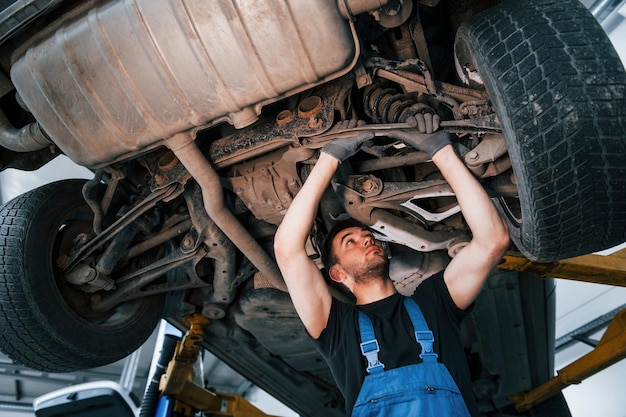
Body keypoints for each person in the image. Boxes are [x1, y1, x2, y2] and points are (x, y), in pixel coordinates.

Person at [274, 115, 510, 416]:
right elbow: (286, 248)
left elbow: (492, 240)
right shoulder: (336, 329)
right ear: (337, 273)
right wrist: (330, 158)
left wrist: (439, 150)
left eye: (367, 235)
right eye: (351, 242)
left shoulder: (434, 302)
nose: (366, 240)